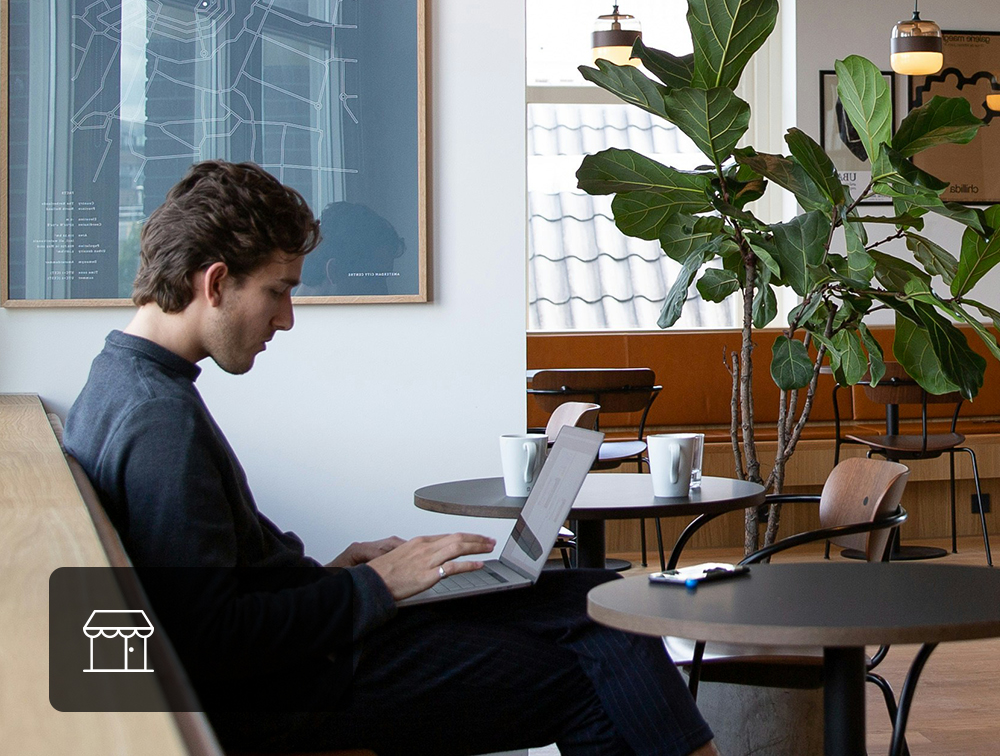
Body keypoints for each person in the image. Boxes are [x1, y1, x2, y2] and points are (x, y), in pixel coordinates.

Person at [63, 161, 717, 756]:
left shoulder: (118, 380)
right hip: (297, 686)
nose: (287, 318)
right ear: (214, 282)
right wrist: (377, 586)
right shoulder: (159, 421)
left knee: (600, 597)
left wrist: (332, 574)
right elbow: (213, 638)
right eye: (277, 291)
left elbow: (214, 588)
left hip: (310, 645)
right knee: (583, 674)